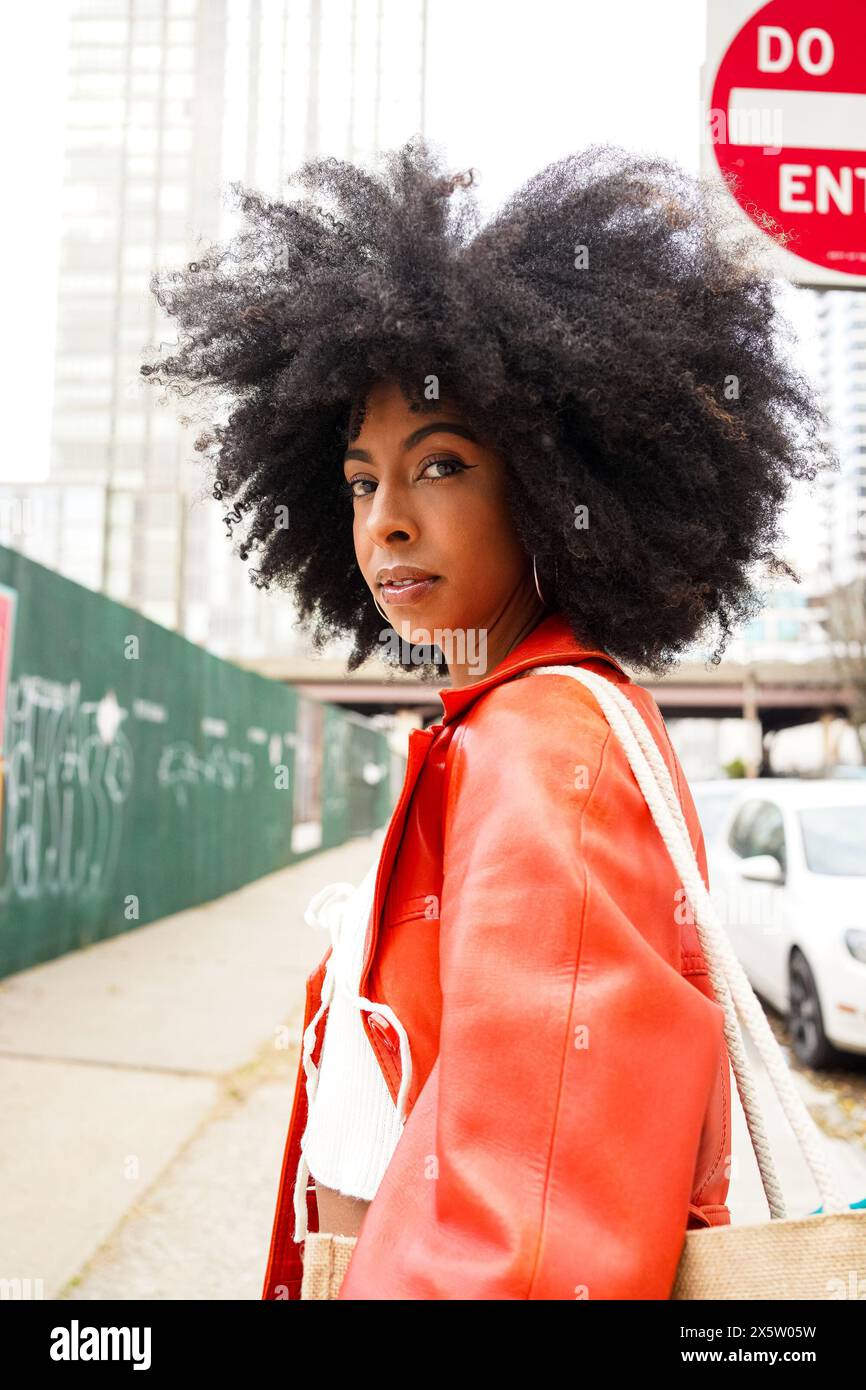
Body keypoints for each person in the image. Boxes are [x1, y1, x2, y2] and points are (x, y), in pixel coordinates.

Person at [142, 136, 833, 1299]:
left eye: (441, 465)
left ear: (554, 492)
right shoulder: (492, 722)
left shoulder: (545, 747)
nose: (384, 521)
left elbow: (523, 1237)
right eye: (360, 481)